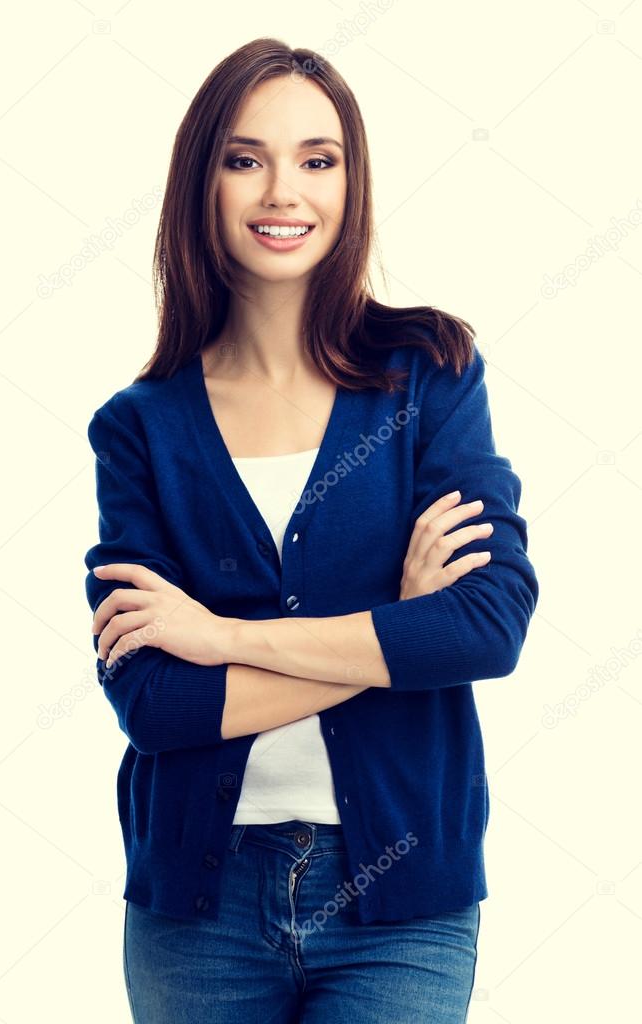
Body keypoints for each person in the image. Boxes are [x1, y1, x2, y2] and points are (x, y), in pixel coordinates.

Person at [84, 37, 539, 1024]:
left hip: (400, 906)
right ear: (201, 182)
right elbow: (156, 701)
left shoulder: (427, 374)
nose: (281, 191)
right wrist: (393, 635)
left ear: (349, 181)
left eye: (316, 159)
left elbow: (483, 627)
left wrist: (222, 639)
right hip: (197, 913)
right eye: (245, 158)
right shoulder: (140, 428)